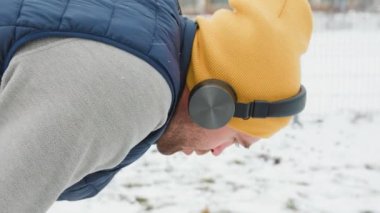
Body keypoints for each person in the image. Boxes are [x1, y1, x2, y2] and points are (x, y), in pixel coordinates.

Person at [0, 0, 313, 212]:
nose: (218, 152)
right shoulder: (132, 87)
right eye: (235, 140)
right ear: (214, 102)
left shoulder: (145, 25)